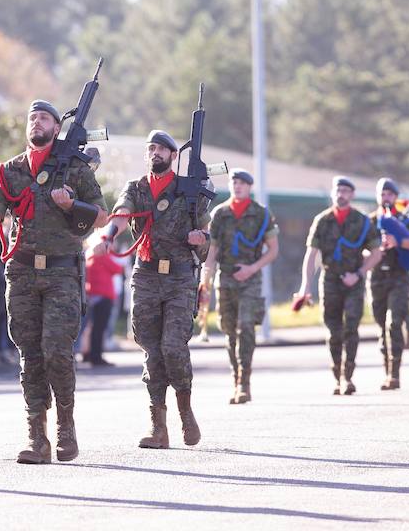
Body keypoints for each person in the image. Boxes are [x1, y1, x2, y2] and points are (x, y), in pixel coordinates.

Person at [0, 100, 108, 464]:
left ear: (56, 128)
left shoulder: (75, 168)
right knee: (30, 354)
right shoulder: (10, 171)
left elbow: (102, 217)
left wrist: (70, 206)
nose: (36, 122)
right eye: (32, 118)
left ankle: (65, 425)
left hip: (62, 270)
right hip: (22, 271)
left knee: (57, 350)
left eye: (44, 117)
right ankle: (36, 436)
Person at [96, 130, 207, 450]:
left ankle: (185, 410)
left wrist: (200, 239)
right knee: (152, 350)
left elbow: (207, 235)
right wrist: (107, 236)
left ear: (174, 155)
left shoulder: (190, 192)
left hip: (180, 279)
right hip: (145, 276)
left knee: (173, 346)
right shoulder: (137, 188)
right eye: (151, 148)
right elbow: (121, 214)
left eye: (162, 148)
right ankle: (158, 426)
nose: (155, 152)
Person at [294, 176, 382, 395]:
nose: (341, 194)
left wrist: (359, 273)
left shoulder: (362, 221)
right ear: (333, 193)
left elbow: (377, 252)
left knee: (351, 327)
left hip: (354, 281)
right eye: (338, 190)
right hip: (330, 280)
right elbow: (311, 255)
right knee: (334, 331)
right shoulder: (322, 221)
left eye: (345, 190)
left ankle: (347, 376)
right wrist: (306, 286)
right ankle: (337, 374)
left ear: (352, 195)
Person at [201, 169, 279, 404]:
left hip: (250, 279)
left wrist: (252, 269)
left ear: (249, 187)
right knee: (229, 331)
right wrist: (206, 275)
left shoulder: (261, 214)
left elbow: (273, 250)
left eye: (242, 183)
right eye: (234, 182)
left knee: (245, 327)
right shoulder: (220, 214)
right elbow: (211, 250)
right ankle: (236, 379)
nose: (237, 186)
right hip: (226, 278)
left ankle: (245, 382)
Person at [367, 178, 409, 390]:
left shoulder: (406, 221)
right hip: (377, 278)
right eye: (382, 194)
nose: (386, 198)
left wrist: (398, 242)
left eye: (390, 194)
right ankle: (386, 370)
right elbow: (358, 248)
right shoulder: (370, 222)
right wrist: (373, 251)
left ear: (396, 197)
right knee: (381, 325)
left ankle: (394, 373)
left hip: (399, 277)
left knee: (394, 323)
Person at [82, 241, 124, 366]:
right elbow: (118, 269)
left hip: (93, 295)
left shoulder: (90, 256)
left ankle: (89, 354)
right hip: (104, 296)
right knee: (99, 328)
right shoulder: (102, 256)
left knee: (91, 328)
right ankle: (96, 356)